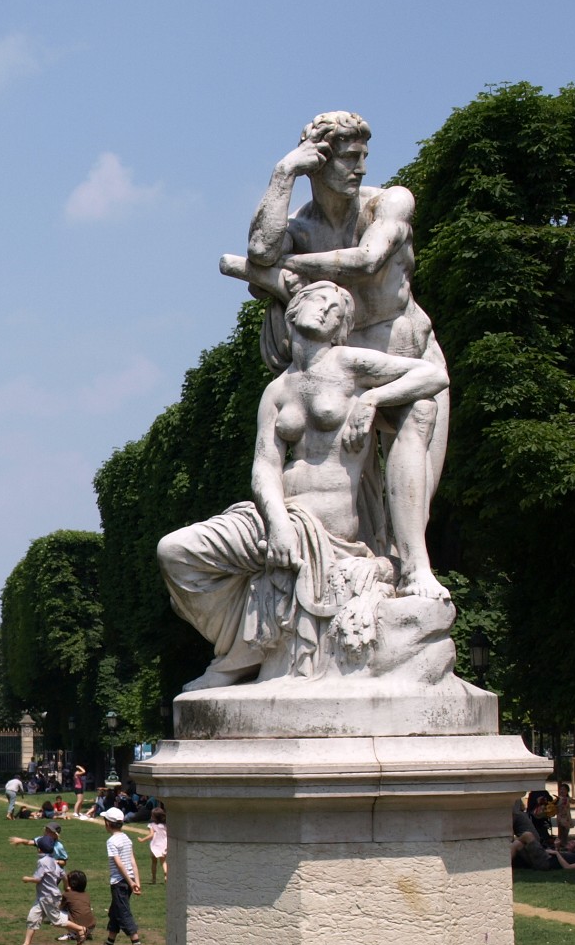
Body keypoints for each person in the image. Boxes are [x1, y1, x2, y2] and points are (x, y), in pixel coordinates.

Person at [157, 280, 449, 688]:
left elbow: (430, 375)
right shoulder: (276, 391)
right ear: (293, 312)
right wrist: (276, 523)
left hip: (331, 526)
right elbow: (265, 466)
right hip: (278, 515)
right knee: (175, 551)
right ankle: (242, 648)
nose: (329, 307)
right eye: (320, 298)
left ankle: (416, 567)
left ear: (341, 328)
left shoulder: (348, 363)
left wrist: (372, 400)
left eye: (338, 308)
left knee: (421, 407)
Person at [219, 109, 452, 602]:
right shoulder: (301, 226)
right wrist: (284, 172)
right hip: (344, 364)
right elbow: (260, 251)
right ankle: (373, 574)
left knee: (415, 470)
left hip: (408, 357)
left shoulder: (388, 203)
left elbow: (367, 262)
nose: (361, 168)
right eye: (349, 158)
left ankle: (416, 569)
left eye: (364, 156)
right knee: (357, 506)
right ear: (318, 161)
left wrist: (288, 268)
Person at [94, 806, 144, 945]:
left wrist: (130, 882)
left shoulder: (112, 841)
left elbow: (119, 863)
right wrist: (136, 881)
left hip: (119, 882)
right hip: (128, 881)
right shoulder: (126, 839)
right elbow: (132, 861)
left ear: (108, 823)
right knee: (114, 912)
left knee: (123, 913)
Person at [15, 846, 69, 945]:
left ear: (40, 849)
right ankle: (26, 944)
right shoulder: (53, 861)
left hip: (50, 897)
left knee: (57, 921)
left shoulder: (43, 862)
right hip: (42, 897)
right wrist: (66, 886)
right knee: (32, 918)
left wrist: (27, 879)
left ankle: (81, 929)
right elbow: (64, 874)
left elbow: (38, 879)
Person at [57, 868, 96, 945]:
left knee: (55, 914)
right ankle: (86, 933)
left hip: (78, 926)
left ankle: (74, 934)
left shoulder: (67, 894)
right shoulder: (86, 895)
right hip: (91, 926)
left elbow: (60, 907)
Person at [146, 806, 169, 884]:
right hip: (164, 844)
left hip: (155, 844)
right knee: (163, 861)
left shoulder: (151, 824)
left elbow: (151, 835)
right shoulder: (165, 825)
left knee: (154, 862)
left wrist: (142, 839)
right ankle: (166, 874)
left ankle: (154, 878)